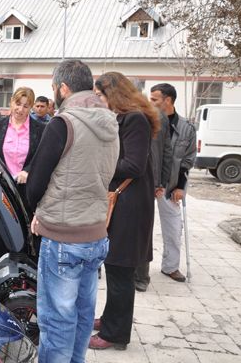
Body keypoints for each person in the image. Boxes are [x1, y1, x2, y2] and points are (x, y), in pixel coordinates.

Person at [26, 60, 119, 363]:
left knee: (57, 322)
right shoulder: (110, 123)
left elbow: (36, 183)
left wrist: (36, 207)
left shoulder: (63, 123)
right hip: (95, 234)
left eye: (54, 88)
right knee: (81, 316)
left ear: (63, 88)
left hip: (63, 238)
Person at [89, 72, 160, 351]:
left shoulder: (135, 120)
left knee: (120, 269)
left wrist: (99, 168)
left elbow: (134, 165)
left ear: (114, 94)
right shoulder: (125, 118)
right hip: (125, 203)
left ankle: (115, 334)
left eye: (100, 95)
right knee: (115, 266)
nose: (98, 100)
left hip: (130, 206)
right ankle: (109, 318)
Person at [0, 86, 45, 260]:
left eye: (26, 106)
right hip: (2, 188)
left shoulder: (40, 128)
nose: (20, 109)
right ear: (11, 102)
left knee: (27, 233)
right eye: (18, 104)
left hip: (26, 190)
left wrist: (27, 171)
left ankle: (29, 272)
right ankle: (0, 268)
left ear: (32, 107)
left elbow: (41, 158)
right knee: (2, 232)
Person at [149, 83, 197, 282]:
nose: (150, 103)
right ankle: (136, 269)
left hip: (169, 188)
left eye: (154, 100)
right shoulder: (147, 121)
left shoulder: (186, 128)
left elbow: (188, 160)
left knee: (173, 228)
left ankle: (170, 266)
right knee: (140, 228)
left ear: (167, 100)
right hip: (147, 184)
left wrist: (180, 187)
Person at [134, 108, 173, 292]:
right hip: (125, 183)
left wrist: (161, 182)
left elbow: (167, 151)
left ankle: (141, 276)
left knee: (142, 231)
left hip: (148, 183)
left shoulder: (157, 117)